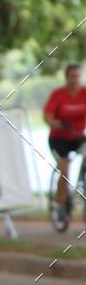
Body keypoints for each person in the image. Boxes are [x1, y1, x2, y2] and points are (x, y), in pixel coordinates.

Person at [44, 63, 86, 226]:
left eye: (77, 76)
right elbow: (47, 116)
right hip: (59, 139)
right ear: (67, 77)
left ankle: (81, 183)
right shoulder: (58, 95)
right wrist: (56, 123)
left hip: (77, 138)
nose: (74, 79)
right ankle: (61, 205)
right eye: (72, 76)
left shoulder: (84, 93)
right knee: (64, 167)